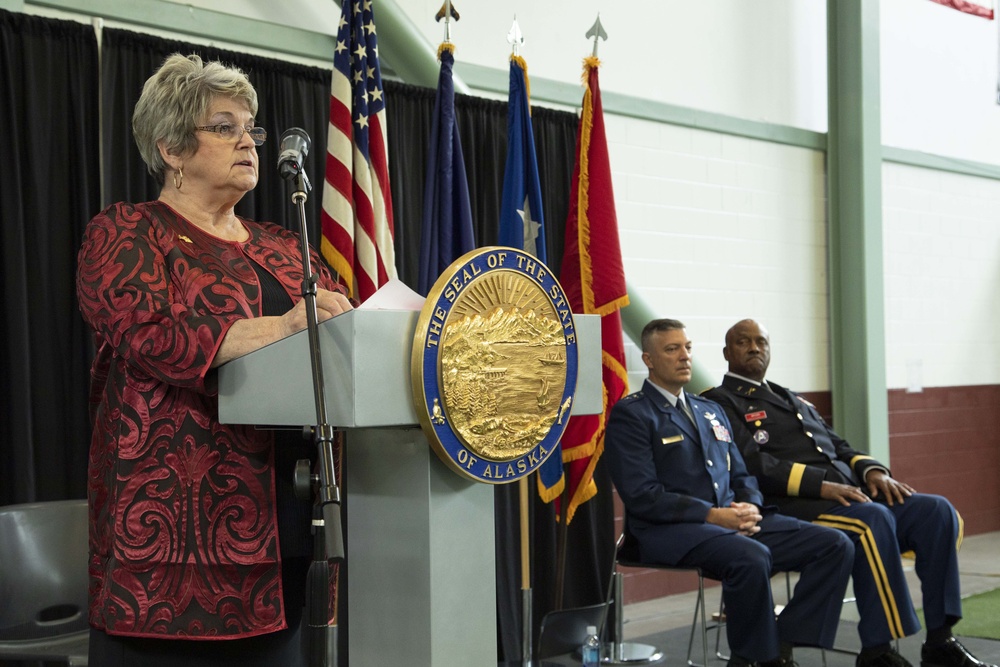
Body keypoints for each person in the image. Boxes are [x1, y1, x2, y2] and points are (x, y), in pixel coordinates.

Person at [75, 54, 352, 666]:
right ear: (172, 148)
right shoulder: (128, 232)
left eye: (251, 128)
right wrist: (279, 327)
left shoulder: (287, 246)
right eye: (224, 126)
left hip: (288, 532)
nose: (248, 141)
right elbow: (150, 332)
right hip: (172, 546)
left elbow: (346, 344)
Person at [703, 319, 996, 667]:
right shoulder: (718, 403)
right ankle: (877, 650)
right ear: (726, 352)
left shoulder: (789, 397)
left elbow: (837, 446)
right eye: (743, 342)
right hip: (796, 509)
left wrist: (872, 471)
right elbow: (751, 464)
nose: (754, 348)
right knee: (873, 520)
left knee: (935, 511)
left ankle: (940, 640)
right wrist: (821, 485)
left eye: (761, 342)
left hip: (849, 497)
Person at [606, 318, 854, 667]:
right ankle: (758, 660)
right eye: (672, 349)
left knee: (835, 545)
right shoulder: (633, 414)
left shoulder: (711, 410)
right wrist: (712, 515)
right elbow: (642, 494)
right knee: (750, 556)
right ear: (648, 359)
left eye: (688, 347)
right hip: (667, 530)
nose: (684, 356)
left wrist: (750, 508)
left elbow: (742, 473)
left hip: (732, 523)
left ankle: (780, 642)